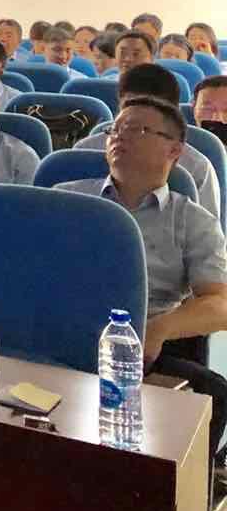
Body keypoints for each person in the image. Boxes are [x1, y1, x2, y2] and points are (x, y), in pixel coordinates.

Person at [54, 96, 227, 470]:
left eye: (136, 129)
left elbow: (219, 304)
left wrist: (158, 330)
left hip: (136, 349)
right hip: (57, 335)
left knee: (212, 392)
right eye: (115, 129)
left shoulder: (193, 221)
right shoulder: (64, 197)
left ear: (174, 150)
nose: (119, 136)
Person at [76, 63, 221, 221]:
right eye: (131, 107)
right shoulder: (84, 152)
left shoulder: (197, 167)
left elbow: (210, 224)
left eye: (139, 127)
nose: (121, 137)